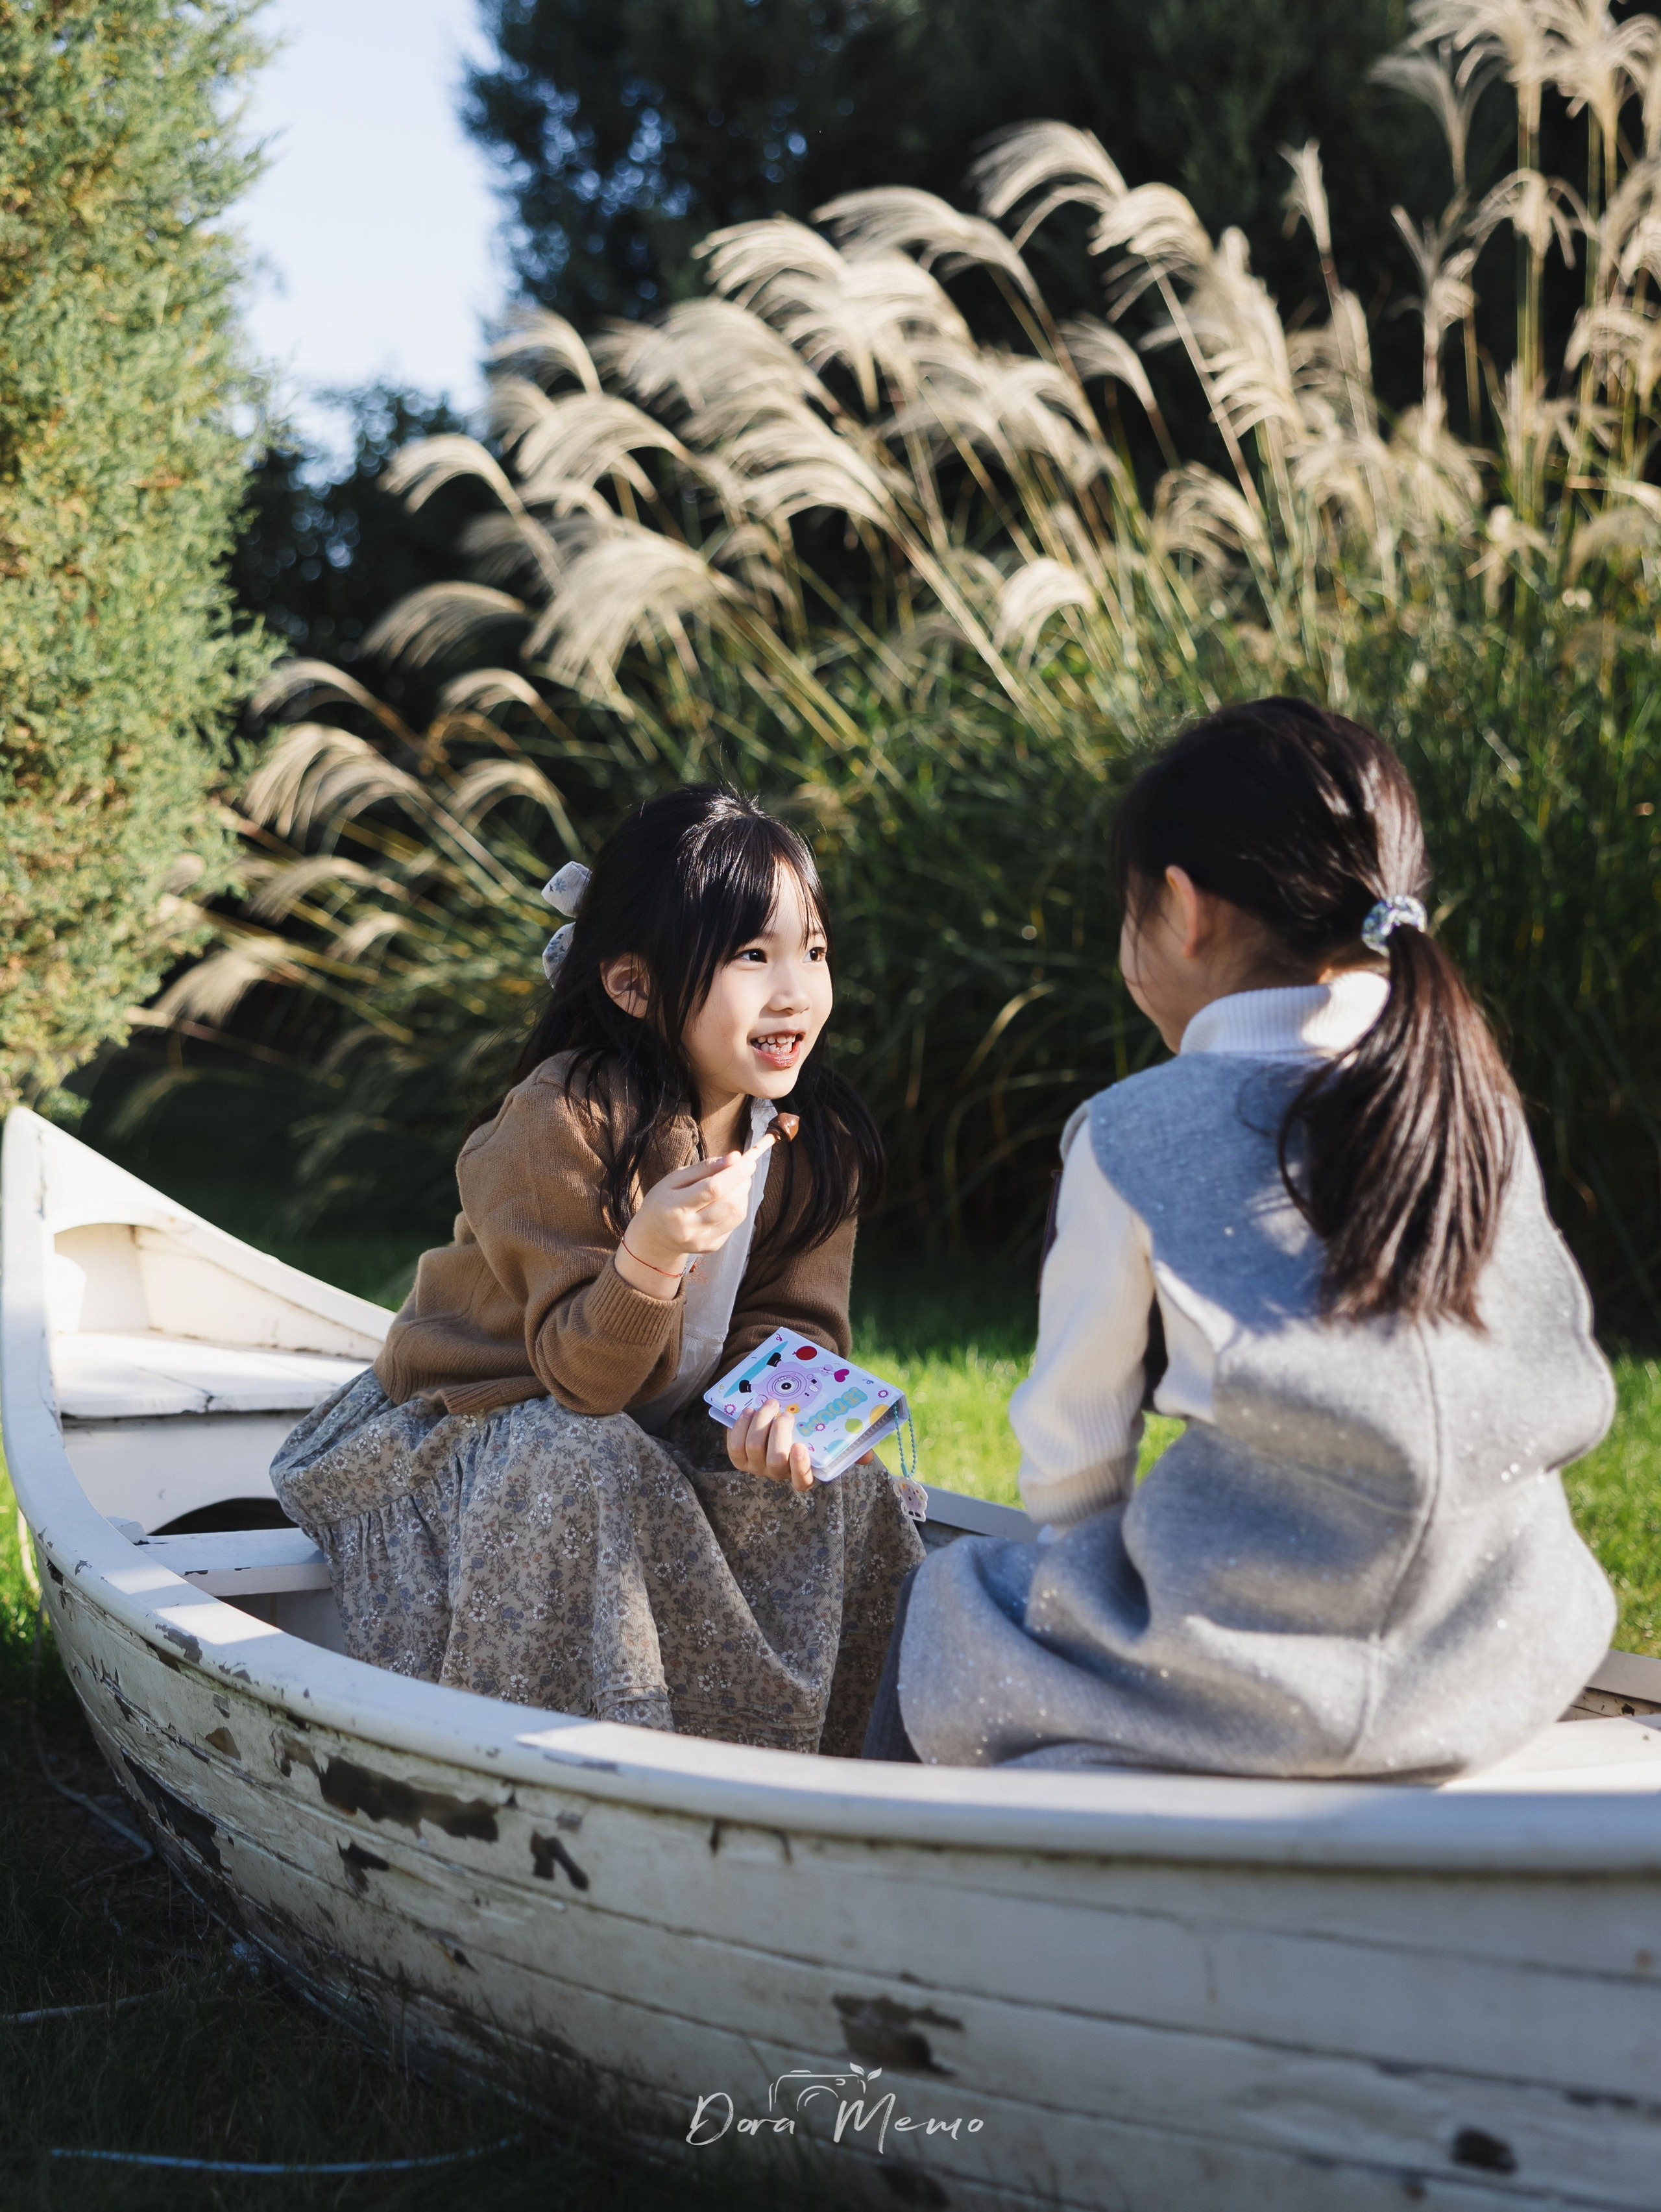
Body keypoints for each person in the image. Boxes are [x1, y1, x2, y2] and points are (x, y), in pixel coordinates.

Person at [867, 698, 1615, 1779]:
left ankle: (876, 1886)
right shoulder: (1474, 1103)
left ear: (1183, 909)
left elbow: (1074, 1457)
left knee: (944, 1603)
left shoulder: (1132, 1130)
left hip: (1250, 1673)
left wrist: (1083, 1607)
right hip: (1497, 1645)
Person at [273, 786, 924, 1753]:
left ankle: (831, 1777)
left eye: (814, 950)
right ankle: (575, 1777)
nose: (796, 990)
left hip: (646, 1430)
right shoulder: (559, 1121)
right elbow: (583, 1380)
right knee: (584, 1457)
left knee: (844, 1484)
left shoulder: (812, 1140)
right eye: (754, 955)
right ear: (633, 984)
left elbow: (791, 1320)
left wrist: (777, 1410)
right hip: (481, 1432)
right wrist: (652, 1252)